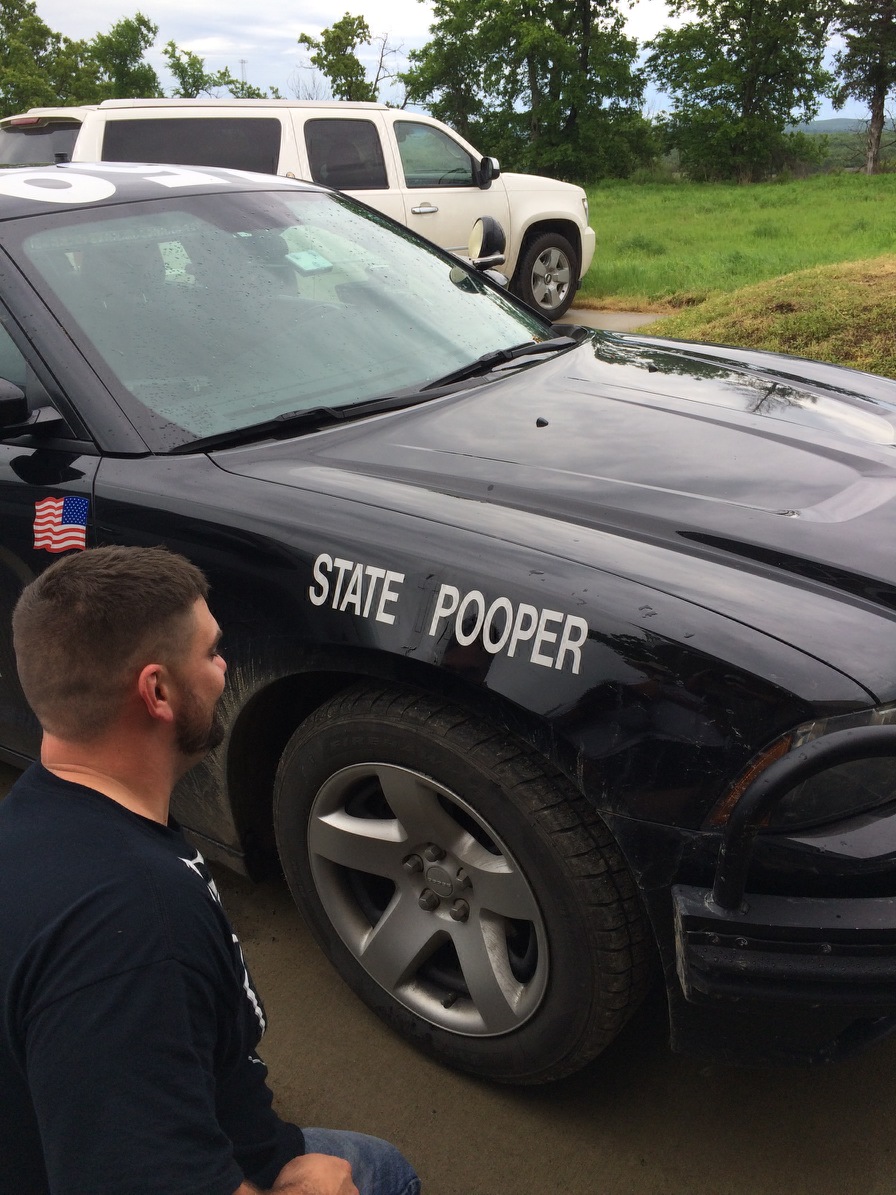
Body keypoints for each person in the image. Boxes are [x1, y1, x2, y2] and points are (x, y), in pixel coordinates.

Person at [0, 545, 421, 1195]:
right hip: (223, 1156)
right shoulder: (136, 920)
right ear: (158, 690)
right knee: (381, 1169)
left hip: (200, 1119)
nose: (224, 670)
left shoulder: (37, 812)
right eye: (211, 651)